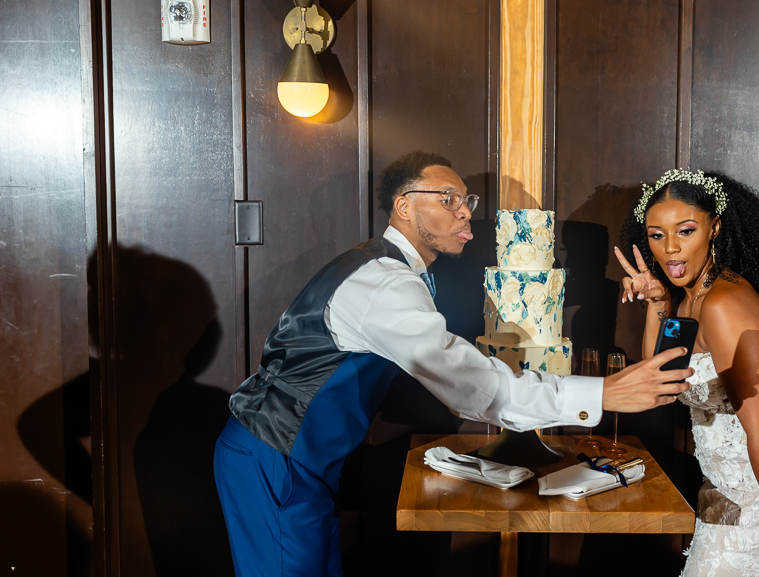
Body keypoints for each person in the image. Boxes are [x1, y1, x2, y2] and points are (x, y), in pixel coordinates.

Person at [214, 150, 693, 577]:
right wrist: (601, 394)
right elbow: (473, 383)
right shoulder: (384, 283)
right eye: (447, 198)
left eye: (467, 201)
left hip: (308, 463)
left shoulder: (393, 271)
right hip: (274, 455)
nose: (464, 210)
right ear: (404, 207)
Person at [616, 169, 759, 577]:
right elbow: (658, 381)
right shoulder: (689, 298)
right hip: (732, 480)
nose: (670, 249)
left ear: (714, 228)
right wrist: (657, 302)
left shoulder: (722, 305)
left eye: (685, 231)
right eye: (656, 235)